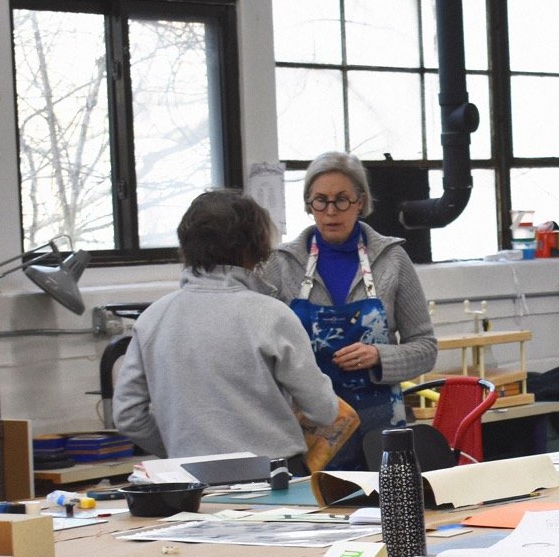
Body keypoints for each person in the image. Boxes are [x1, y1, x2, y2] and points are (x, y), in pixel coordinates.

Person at [112, 189, 339, 463]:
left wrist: (179, 451)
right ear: (252, 247)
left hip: (190, 477)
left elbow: (128, 416)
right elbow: (323, 410)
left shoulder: (153, 318)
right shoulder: (271, 316)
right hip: (270, 476)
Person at [262, 151, 438, 468]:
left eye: (342, 200)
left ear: (361, 202)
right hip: (307, 430)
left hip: (381, 426)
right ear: (308, 205)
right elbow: (261, 351)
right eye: (321, 201)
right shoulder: (282, 264)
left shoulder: (392, 259)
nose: (331, 211)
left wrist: (380, 356)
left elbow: (426, 348)